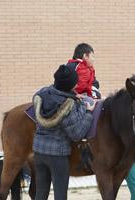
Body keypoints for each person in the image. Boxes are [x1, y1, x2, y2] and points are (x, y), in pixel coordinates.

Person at [32, 64, 95, 200]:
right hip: (57, 156)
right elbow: (77, 134)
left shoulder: (41, 95)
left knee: (40, 194)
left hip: (38, 152)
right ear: (72, 85)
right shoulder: (68, 106)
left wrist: (71, 94)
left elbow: (53, 91)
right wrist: (88, 111)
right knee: (60, 196)